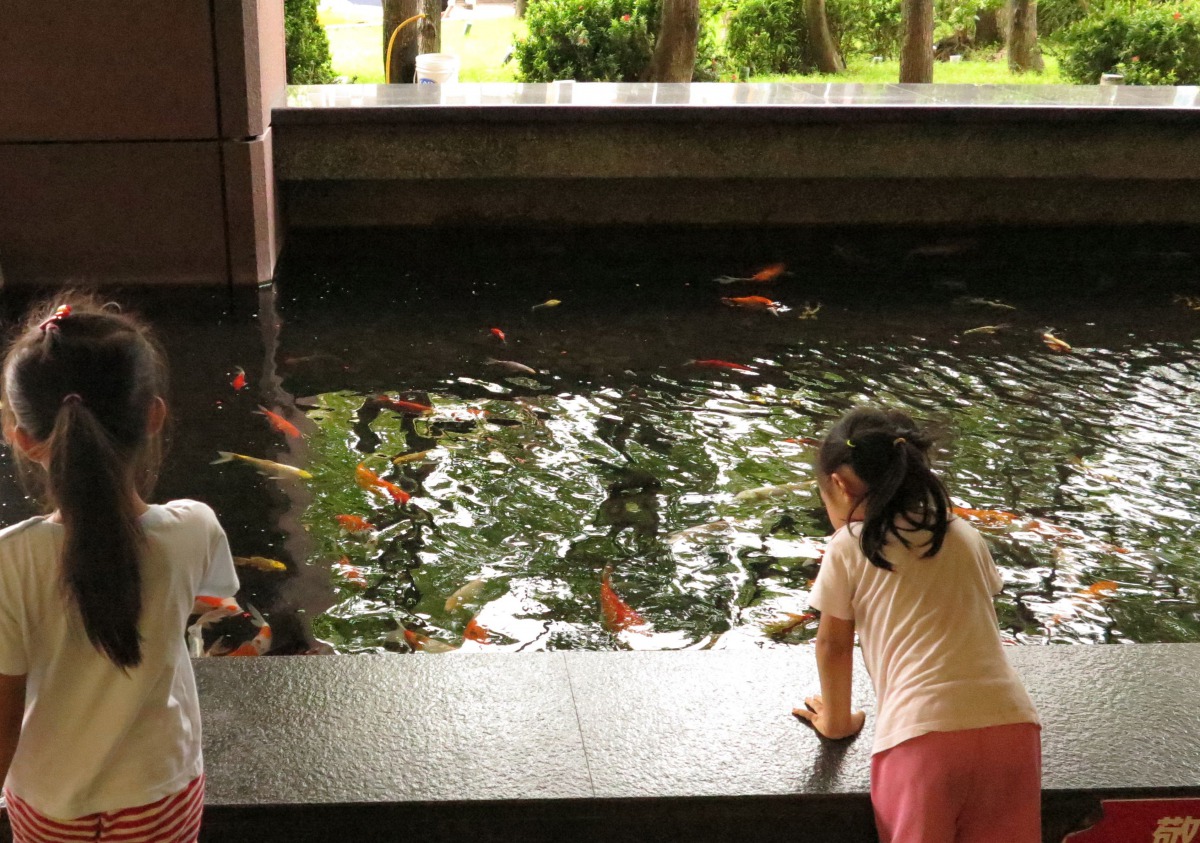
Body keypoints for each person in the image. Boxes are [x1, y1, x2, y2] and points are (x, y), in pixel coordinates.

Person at [0, 296, 239, 842]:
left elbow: (2, 718)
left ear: (23, 439)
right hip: (160, 788)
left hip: (49, 798)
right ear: (154, 416)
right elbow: (210, 600)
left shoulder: (8, 560)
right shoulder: (194, 528)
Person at [793, 406, 1041, 843]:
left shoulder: (850, 544)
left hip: (921, 740)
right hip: (1012, 729)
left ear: (838, 484)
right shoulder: (961, 532)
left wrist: (837, 722)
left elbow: (833, 645)